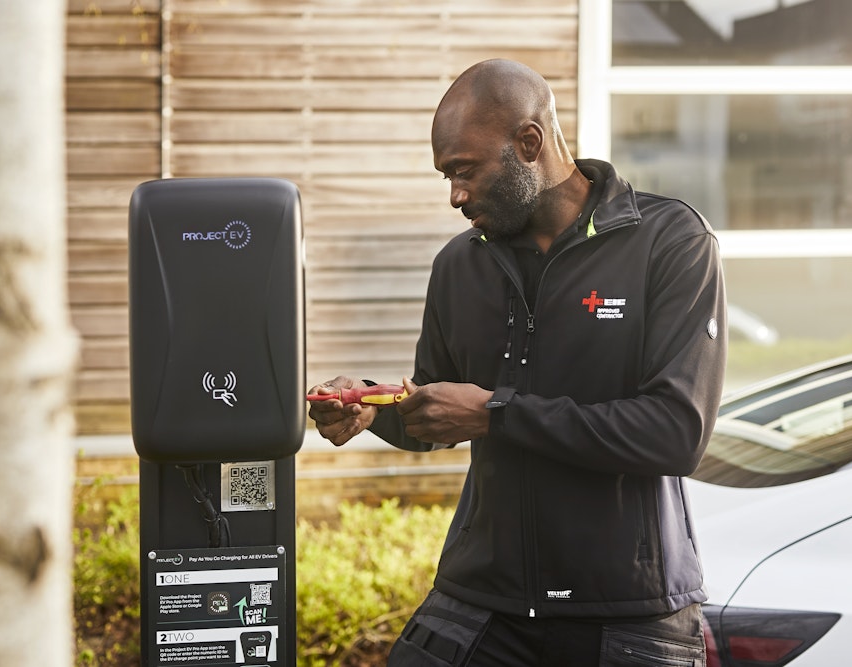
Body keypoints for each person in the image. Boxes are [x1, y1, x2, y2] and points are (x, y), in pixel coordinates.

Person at [308, 58, 727, 667]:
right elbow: (438, 408)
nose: (454, 195)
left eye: (464, 171)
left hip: (629, 609)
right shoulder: (458, 265)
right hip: (484, 597)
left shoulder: (670, 242)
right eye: (446, 176)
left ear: (529, 143)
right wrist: (371, 405)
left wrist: (495, 414)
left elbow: (675, 433)